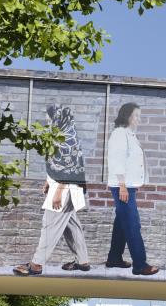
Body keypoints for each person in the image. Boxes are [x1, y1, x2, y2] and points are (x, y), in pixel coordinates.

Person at [15, 105, 91, 276]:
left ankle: (36, 265)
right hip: (68, 187)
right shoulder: (64, 134)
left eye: (50, 118)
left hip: (65, 188)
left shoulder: (66, 139)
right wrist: (48, 181)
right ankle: (83, 261)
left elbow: (70, 168)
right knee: (72, 226)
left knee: (49, 226)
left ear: (59, 118)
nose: (48, 121)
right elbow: (58, 164)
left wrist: (58, 191)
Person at [106, 102, 158, 276]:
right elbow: (117, 161)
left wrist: (135, 183)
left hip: (128, 186)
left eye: (139, 116)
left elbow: (134, 162)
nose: (138, 119)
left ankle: (114, 258)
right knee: (132, 224)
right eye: (136, 115)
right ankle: (140, 265)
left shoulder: (130, 134)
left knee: (122, 223)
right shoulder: (120, 134)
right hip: (122, 186)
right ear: (127, 116)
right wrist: (122, 186)